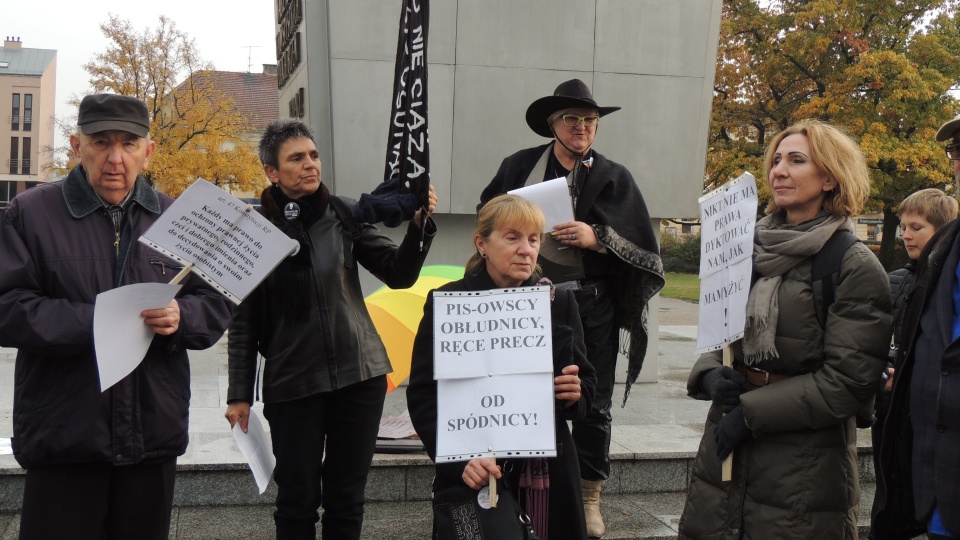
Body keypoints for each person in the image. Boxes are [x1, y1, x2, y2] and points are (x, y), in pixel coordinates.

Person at [0, 94, 234, 539]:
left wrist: (182, 316)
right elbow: (7, 306)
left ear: (149, 152)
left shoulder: (179, 217)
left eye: (128, 144)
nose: (114, 158)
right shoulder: (29, 214)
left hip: (151, 435)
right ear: (76, 145)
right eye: (101, 142)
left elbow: (216, 302)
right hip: (65, 436)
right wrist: (99, 322)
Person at [678, 119, 892, 539]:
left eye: (796, 161)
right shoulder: (744, 249)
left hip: (805, 463)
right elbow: (721, 333)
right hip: (726, 448)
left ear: (830, 177)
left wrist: (752, 413)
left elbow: (848, 382)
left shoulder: (853, 265)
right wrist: (710, 372)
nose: (778, 170)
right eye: (776, 160)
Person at [225, 118, 438, 540]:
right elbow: (244, 321)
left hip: (360, 375)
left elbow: (398, 274)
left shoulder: (342, 214)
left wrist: (418, 228)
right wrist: (238, 395)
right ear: (272, 172)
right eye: (296, 158)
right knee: (296, 503)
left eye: (314, 155)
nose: (310, 165)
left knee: (346, 500)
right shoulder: (250, 232)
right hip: (293, 384)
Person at [478, 79, 664, 537]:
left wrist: (596, 237)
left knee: (591, 401)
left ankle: (588, 495)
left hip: (591, 306)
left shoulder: (615, 176)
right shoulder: (519, 167)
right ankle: (517, 483)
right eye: (572, 119)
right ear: (553, 125)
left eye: (590, 120)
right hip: (526, 303)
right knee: (522, 393)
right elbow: (488, 215)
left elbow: (645, 248)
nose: (582, 128)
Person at [407, 193, 598, 539]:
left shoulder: (558, 302)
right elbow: (423, 395)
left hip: (548, 475)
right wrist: (459, 460)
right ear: (482, 243)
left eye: (534, 239)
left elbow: (586, 385)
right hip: (473, 474)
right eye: (513, 237)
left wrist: (575, 392)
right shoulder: (448, 303)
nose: (526, 248)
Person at [871, 116, 960, 539]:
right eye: (957, 151)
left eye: (916, 228)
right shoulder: (921, 269)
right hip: (930, 473)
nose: (906, 236)